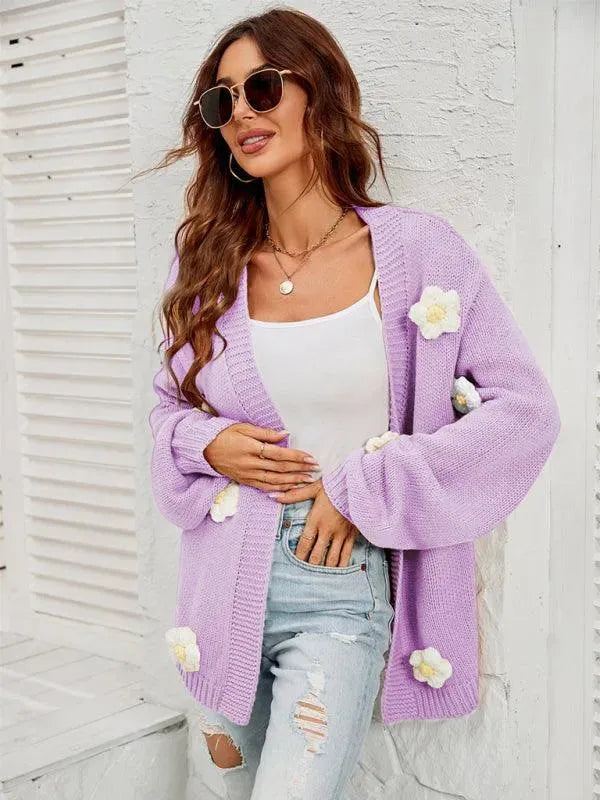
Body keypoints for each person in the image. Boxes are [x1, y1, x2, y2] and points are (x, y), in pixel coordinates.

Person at [147, 8, 561, 800]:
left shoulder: (418, 251)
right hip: (217, 592)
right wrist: (204, 443)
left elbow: (526, 412)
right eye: (221, 100)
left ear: (319, 91)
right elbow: (166, 411)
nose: (241, 114)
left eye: (263, 88)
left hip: (336, 585)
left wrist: (361, 487)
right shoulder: (205, 264)